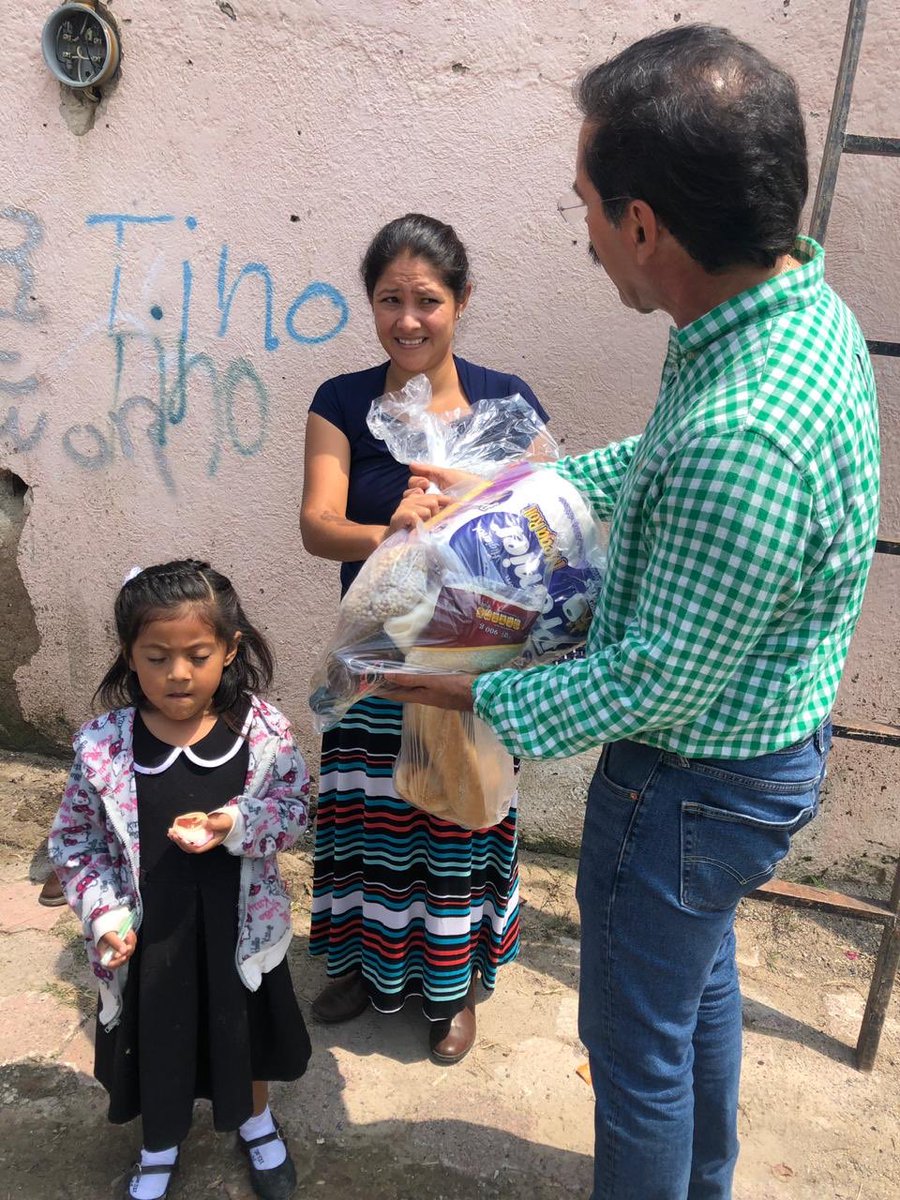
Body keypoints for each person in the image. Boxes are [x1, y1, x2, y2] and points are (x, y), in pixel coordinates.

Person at [380, 25, 880, 1200]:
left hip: (687, 785)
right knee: (693, 984)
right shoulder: (786, 310)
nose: (588, 234)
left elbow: (656, 678)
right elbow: (660, 461)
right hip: (752, 762)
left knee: (632, 1053)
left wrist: (472, 693)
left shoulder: (743, 431)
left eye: (588, 209)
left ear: (644, 225)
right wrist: (511, 484)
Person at [299, 213, 548, 1064]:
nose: (408, 319)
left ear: (463, 300)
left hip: (470, 663)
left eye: (428, 300)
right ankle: (361, 968)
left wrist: (481, 497)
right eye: (389, 300)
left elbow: (556, 516)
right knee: (368, 818)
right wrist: (389, 528)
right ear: (370, 304)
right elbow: (317, 526)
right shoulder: (341, 402)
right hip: (373, 656)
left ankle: (453, 990)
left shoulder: (507, 404)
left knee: (454, 822)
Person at [48, 560, 312, 1200]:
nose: (178, 673)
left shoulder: (263, 732)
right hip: (152, 940)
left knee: (241, 1032)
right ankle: (159, 1144)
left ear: (230, 649)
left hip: (240, 935)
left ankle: (256, 1121)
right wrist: (106, 916)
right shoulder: (104, 745)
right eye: (156, 656)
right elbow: (75, 840)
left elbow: (294, 809)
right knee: (159, 1044)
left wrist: (234, 823)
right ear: (129, 656)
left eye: (197, 654)